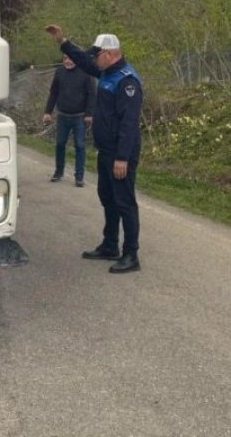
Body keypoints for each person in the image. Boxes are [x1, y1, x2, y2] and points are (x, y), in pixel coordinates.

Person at [45, 25, 143, 274]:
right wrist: (63, 42)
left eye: (97, 55)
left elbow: (129, 123)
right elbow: (82, 60)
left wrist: (122, 158)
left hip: (121, 153)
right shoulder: (106, 72)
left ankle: (131, 254)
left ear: (109, 54)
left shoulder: (127, 81)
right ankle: (110, 245)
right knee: (107, 198)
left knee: (124, 202)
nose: (94, 60)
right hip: (106, 150)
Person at [42, 55, 96, 187]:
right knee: (60, 144)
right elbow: (53, 93)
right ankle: (58, 172)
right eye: (65, 59)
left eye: (71, 58)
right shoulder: (59, 72)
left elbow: (92, 94)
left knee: (80, 145)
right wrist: (48, 112)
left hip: (80, 117)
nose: (68, 61)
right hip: (63, 115)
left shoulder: (86, 72)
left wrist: (89, 114)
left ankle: (79, 177)